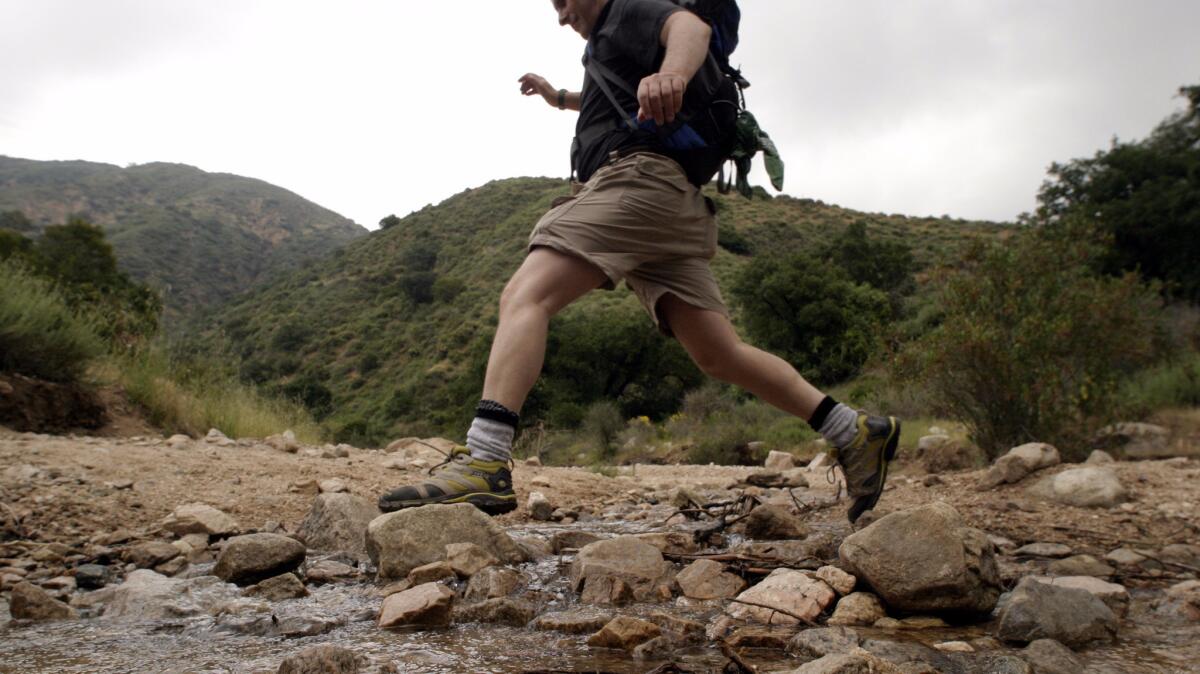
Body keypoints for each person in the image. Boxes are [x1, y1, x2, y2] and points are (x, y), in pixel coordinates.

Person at [378, 0, 900, 523]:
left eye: (563, 2)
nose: (561, 17)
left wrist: (672, 73)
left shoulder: (625, 10)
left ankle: (485, 461)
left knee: (525, 295)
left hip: (636, 183)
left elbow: (688, 26)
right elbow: (614, 98)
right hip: (672, 205)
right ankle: (852, 431)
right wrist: (558, 97)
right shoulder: (610, 43)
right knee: (720, 354)